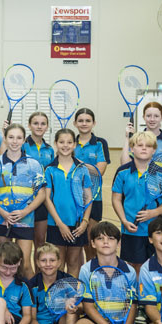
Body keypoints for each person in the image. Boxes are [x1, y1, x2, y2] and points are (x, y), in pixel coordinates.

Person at [71, 221, 147, 324]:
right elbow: (88, 307)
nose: (106, 242)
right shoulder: (86, 270)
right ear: (92, 243)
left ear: (118, 243)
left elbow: (132, 306)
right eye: (100, 238)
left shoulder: (130, 271)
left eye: (111, 239)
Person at [110, 131, 162, 271]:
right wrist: (123, 220)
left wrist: (154, 213)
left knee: (155, 266)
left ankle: (151, 293)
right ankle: (137, 293)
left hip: (156, 230)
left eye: (148, 146)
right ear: (132, 149)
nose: (144, 148)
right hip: (131, 230)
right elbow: (116, 198)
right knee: (135, 267)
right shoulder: (122, 172)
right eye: (140, 145)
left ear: (154, 150)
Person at [0, 124, 45, 279]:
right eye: (11, 137)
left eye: (19, 137)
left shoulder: (34, 164)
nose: (14, 141)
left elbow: (41, 194)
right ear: (5, 139)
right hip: (2, 219)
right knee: (4, 263)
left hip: (25, 220)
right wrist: (3, 213)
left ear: (24, 140)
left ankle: (31, 300)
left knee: (25, 265)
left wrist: (25, 212)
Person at [43, 129, 92, 276]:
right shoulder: (49, 169)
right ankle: (57, 296)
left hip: (77, 224)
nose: (65, 145)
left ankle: (72, 297)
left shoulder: (82, 169)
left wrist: (84, 222)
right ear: (56, 144)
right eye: (61, 142)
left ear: (75, 145)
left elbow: (89, 198)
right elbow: (47, 199)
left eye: (69, 142)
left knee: (73, 262)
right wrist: (60, 224)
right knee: (57, 264)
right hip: (56, 224)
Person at [26, 244, 80, 324]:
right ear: (37, 263)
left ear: (59, 262)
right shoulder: (31, 285)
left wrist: (74, 304)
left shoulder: (68, 281)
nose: (48, 264)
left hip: (63, 323)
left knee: (71, 311)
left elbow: (82, 307)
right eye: (43, 260)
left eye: (52, 260)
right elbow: (31, 318)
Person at [72, 108, 109, 262]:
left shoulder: (100, 143)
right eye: (80, 120)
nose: (84, 123)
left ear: (94, 123)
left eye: (88, 120)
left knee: (90, 240)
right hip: (72, 199)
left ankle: (91, 273)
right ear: (75, 123)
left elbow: (99, 172)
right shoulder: (70, 141)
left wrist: (78, 164)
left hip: (94, 197)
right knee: (75, 244)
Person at [23, 112, 55, 253]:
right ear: (29, 125)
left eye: (43, 123)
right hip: (25, 199)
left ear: (47, 126)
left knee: (40, 241)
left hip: (43, 200)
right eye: (36, 123)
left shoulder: (50, 150)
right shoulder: (22, 146)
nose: (39, 126)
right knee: (23, 243)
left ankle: (39, 274)